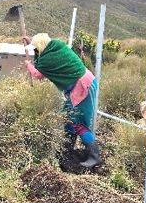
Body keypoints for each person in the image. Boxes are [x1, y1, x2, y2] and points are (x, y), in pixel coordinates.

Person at [22, 32, 100, 169]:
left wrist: (29, 65)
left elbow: (38, 74)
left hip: (82, 87)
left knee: (78, 123)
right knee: (67, 118)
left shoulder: (46, 60)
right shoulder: (57, 45)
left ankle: (94, 157)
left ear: (39, 48)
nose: (35, 51)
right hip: (86, 80)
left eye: (35, 48)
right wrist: (31, 43)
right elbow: (42, 50)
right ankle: (68, 149)